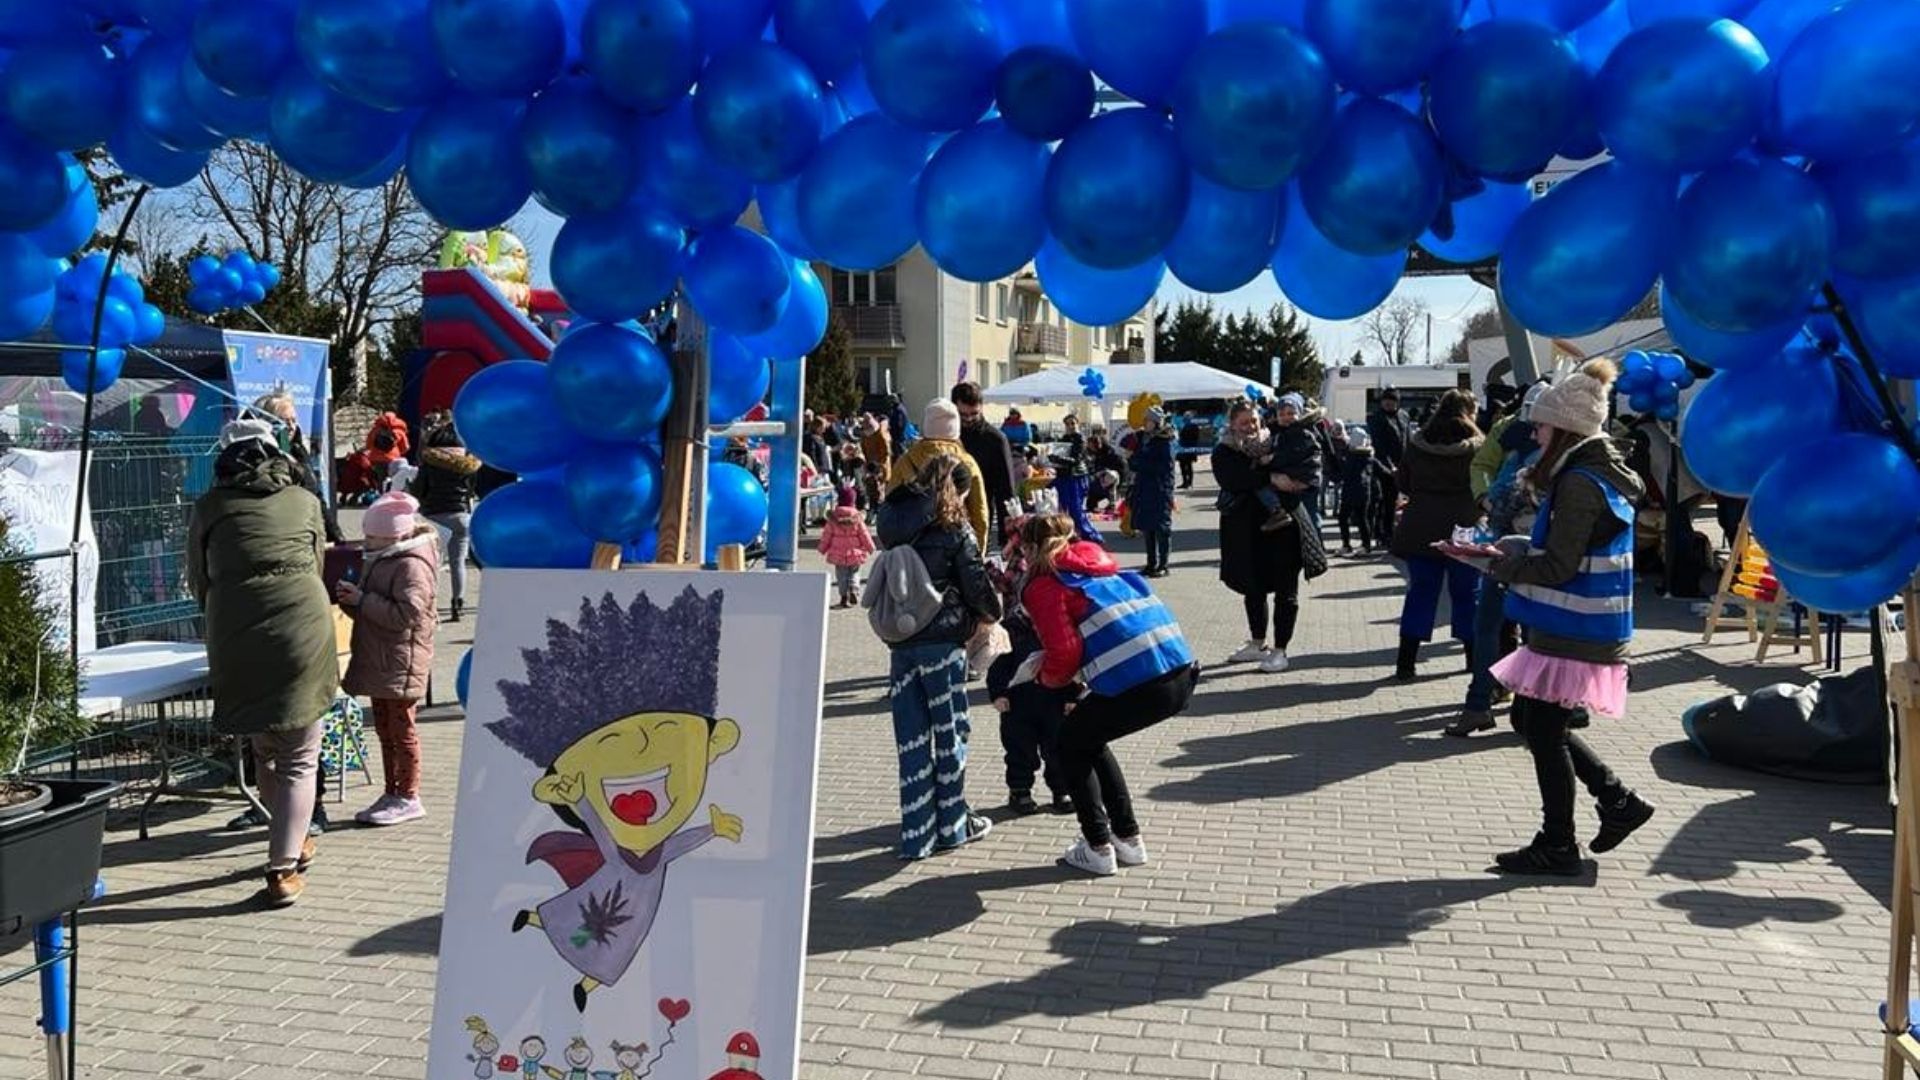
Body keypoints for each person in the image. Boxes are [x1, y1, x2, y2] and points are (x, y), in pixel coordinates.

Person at [1485, 359, 1655, 874]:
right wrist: (1509, 550)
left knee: (1540, 727)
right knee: (1531, 720)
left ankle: (1560, 842)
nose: (1532, 432)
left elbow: (1558, 565)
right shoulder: (1589, 472)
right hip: (1575, 626)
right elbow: (1566, 550)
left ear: (1565, 429)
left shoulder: (1580, 481)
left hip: (1575, 628)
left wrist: (1500, 565)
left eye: (1539, 424)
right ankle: (1616, 801)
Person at [188, 418, 340, 907]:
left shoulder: (210, 507)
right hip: (302, 623)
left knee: (265, 745)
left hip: (234, 628)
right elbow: (317, 563)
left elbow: (197, 578)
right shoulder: (305, 500)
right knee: (300, 754)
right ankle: (282, 867)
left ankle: (289, 841)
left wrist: (228, 608)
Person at [1017, 514, 1198, 876]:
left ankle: (1098, 847)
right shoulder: (1102, 568)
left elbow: (1064, 651)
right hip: (1180, 671)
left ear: (1032, 549)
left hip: (1142, 682)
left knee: (1070, 743)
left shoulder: (1045, 584)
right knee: (1089, 738)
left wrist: (1046, 680)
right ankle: (1128, 840)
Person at [876, 454, 1002, 859]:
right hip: (942, 644)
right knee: (950, 734)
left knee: (910, 738)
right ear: (957, 489)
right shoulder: (953, 527)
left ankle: (916, 834)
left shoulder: (891, 522)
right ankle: (952, 825)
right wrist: (992, 614)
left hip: (901, 643)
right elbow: (975, 584)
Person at [1453, 380, 1551, 736]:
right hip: (1507, 544)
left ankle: (1530, 707)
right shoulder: (1509, 433)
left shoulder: (1567, 450)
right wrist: (1487, 500)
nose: (1535, 428)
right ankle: (1487, 701)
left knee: (1528, 630)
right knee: (1496, 624)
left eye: (1541, 422)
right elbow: (1484, 468)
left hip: (1534, 551)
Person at [337, 491, 439, 827]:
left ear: (394, 535)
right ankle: (392, 790)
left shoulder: (411, 564)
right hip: (382, 658)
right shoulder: (383, 557)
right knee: (384, 728)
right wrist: (352, 600)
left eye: (371, 536)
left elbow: (406, 614)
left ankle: (409, 795)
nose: (365, 541)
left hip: (401, 659)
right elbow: (374, 610)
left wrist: (363, 600)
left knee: (402, 729)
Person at [1212, 401, 1318, 674]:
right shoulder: (1224, 450)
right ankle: (1258, 642)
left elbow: (1306, 465)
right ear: (1232, 423)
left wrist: (1284, 477)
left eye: (1255, 420)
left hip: (1285, 528)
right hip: (1245, 532)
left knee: (1286, 589)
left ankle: (1281, 650)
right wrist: (1272, 476)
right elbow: (1234, 479)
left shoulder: (1278, 439)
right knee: (1252, 587)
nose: (1251, 426)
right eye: (1245, 422)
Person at [1390, 389, 1486, 681]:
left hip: (1421, 527)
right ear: (1470, 412)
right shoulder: (1477, 448)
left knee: (1420, 592)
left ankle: (1406, 663)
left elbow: (1404, 482)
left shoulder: (1417, 445)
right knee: (1468, 594)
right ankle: (1473, 659)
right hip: (1464, 527)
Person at [888, 399, 991, 552]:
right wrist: (978, 552)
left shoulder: (905, 461)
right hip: (956, 547)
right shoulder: (968, 462)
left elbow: (891, 505)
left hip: (913, 549)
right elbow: (980, 514)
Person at [411, 412, 480, 622]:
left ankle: (429, 604)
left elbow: (418, 491)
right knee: (458, 562)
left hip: (434, 518)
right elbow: (471, 491)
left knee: (430, 564)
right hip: (461, 516)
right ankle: (457, 603)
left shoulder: (429, 464)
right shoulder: (468, 466)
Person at [951, 382, 1019, 540]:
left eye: (974, 414)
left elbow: (1006, 489)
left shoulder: (995, 439)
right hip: (945, 512)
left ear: (981, 407)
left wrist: (1007, 534)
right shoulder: (947, 435)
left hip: (978, 513)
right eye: (963, 415)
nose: (968, 419)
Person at [1128, 407, 1177, 577]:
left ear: (1156, 423)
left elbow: (1164, 467)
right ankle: (1151, 563)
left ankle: (1163, 565)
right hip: (1144, 487)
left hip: (1160, 489)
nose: (1144, 423)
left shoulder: (1165, 441)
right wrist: (1134, 462)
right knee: (1147, 528)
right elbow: (1134, 459)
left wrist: (1140, 464)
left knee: (1161, 528)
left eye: (1147, 420)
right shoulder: (1144, 439)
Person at [817, 483, 876, 608]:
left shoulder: (833, 519)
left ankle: (843, 597)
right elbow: (864, 534)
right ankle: (854, 589)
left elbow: (827, 535)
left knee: (841, 576)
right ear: (853, 502)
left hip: (838, 554)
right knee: (854, 572)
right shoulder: (857, 518)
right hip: (855, 553)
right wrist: (871, 547)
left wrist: (822, 548)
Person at [1368, 388, 1413, 543]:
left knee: (1398, 501)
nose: (1388, 403)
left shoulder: (1403, 416)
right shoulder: (1376, 418)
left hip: (1402, 465)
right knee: (1384, 501)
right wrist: (1389, 466)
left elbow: (1408, 440)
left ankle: (1393, 530)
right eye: (1385, 400)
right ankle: (1383, 533)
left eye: (1392, 400)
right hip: (1382, 466)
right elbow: (1378, 445)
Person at [1049, 414, 1101, 543]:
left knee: (1076, 508)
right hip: (1064, 476)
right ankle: (1069, 533)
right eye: (1067, 424)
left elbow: (1076, 460)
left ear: (1077, 424)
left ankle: (1086, 534)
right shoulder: (1064, 439)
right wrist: (1053, 459)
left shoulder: (1080, 439)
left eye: (1073, 423)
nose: (1070, 426)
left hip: (1076, 477)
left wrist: (1058, 459)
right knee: (1063, 507)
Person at [1338, 428, 1383, 556]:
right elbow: (1383, 471)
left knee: (1343, 518)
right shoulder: (1369, 456)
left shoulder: (1350, 456)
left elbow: (1344, 473)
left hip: (1349, 491)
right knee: (1363, 519)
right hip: (1365, 492)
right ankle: (1366, 546)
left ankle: (1346, 545)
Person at [1176, 411, 1201, 489]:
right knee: (1182, 465)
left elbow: (1195, 437)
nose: (1185, 417)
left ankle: (1189, 482)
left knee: (1189, 465)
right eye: (1185, 416)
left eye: (1187, 416)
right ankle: (1184, 482)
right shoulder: (1183, 425)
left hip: (1190, 448)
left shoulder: (1194, 426)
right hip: (1182, 449)